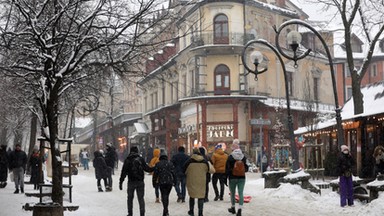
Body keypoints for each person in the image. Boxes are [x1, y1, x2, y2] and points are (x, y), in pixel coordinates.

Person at [119, 146, 153, 216]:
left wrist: (121, 182)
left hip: (131, 181)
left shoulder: (128, 160)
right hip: (140, 181)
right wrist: (155, 168)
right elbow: (147, 169)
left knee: (130, 198)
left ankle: (130, 213)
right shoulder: (140, 159)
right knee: (141, 198)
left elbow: (124, 172)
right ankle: (142, 213)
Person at [184, 148, 209, 216]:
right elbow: (208, 170)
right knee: (201, 196)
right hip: (201, 180)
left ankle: (191, 211)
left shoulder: (189, 161)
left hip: (191, 180)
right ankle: (200, 212)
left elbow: (184, 169)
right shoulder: (204, 161)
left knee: (192, 196)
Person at [226, 141, 248, 216]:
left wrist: (226, 177)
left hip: (232, 177)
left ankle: (233, 208)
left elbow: (227, 169)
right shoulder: (243, 157)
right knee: (240, 193)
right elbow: (246, 168)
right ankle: (240, 209)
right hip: (242, 177)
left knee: (232, 193)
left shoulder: (230, 157)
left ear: (233, 149)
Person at [152, 151, 176, 216]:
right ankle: (165, 210)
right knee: (166, 195)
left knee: (163, 195)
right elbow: (174, 173)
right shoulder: (170, 164)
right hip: (169, 182)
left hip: (162, 182)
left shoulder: (158, 164)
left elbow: (155, 175)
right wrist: (175, 181)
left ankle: (165, 210)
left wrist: (154, 182)